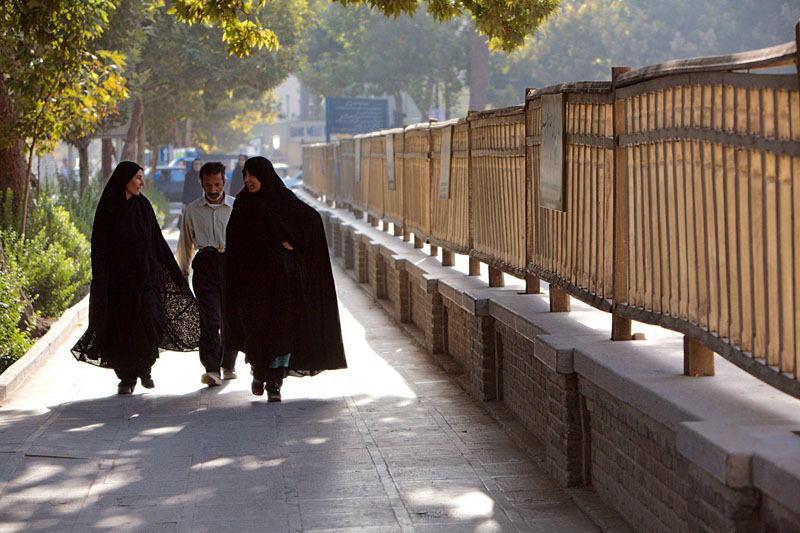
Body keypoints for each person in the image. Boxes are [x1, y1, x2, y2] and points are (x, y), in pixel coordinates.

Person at [71, 161, 200, 394]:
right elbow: (99, 246)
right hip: (119, 283)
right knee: (122, 328)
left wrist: (172, 272)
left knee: (150, 321)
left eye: (142, 177)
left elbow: (158, 243)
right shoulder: (109, 208)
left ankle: (145, 368)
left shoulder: (143, 207)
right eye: (138, 178)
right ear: (125, 180)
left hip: (146, 279)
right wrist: (103, 278)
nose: (141, 183)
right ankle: (127, 378)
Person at [225, 156, 346, 401]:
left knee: (280, 330)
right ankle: (259, 373)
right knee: (255, 329)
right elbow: (235, 242)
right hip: (251, 281)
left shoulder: (281, 199)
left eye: (253, 175)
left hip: (281, 281)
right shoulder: (243, 203)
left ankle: (275, 383)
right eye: (245, 175)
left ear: (264, 176)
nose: (248, 180)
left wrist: (293, 241)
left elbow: (311, 219)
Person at [176, 161, 238, 387]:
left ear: (224, 182)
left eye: (217, 184)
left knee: (229, 317)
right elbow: (185, 244)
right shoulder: (192, 210)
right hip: (205, 265)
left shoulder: (236, 207)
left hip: (231, 264)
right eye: (208, 185)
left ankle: (229, 362)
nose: (213, 190)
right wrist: (183, 272)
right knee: (210, 318)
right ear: (201, 183)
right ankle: (212, 368)